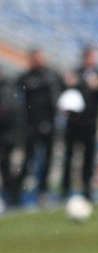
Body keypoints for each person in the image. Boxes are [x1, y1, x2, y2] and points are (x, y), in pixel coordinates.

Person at [60, 47, 98, 202]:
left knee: (89, 158)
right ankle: (65, 190)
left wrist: (97, 87)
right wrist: (70, 84)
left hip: (91, 123)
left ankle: (87, 190)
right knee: (69, 156)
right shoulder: (75, 74)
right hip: (73, 123)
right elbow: (64, 94)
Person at [16, 49, 64, 205]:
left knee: (47, 159)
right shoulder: (25, 78)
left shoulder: (52, 76)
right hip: (30, 124)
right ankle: (18, 192)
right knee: (28, 159)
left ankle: (43, 191)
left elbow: (62, 91)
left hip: (49, 122)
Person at [0, 69, 22, 209]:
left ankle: (12, 197)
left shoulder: (6, 92)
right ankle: (12, 196)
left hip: (6, 137)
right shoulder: (9, 91)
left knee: (7, 168)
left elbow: (9, 115)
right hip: (9, 136)